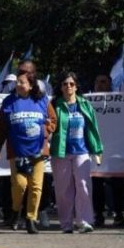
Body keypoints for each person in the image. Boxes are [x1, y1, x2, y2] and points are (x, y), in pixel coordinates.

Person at [0, 69, 52, 234]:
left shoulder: (42, 101)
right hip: (17, 151)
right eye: (17, 82)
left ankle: (31, 219)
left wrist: (46, 130)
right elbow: (1, 127)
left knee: (36, 186)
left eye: (22, 82)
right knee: (20, 185)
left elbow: (53, 120)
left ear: (31, 85)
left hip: (38, 152)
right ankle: (15, 210)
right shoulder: (9, 102)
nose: (18, 85)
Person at [48, 72, 103, 233]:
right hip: (61, 152)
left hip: (81, 151)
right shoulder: (54, 105)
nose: (68, 86)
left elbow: (93, 128)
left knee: (84, 186)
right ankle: (66, 224)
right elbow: (49, 126)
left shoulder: (85, 104)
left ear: (76, 86)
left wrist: (97, 149)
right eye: (65, 84)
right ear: (61, 87)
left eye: (71, 84)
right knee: (63, 189)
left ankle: (84, 221)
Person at [89, 73, 124, 227]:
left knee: (119, 184)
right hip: (96, 150)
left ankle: (119, 213)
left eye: (104, 82)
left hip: (116, 150)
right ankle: (98, 214)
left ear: (110, 84)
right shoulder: (87, 102)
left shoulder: (121, 103)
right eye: (98, 82)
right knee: (97, 184)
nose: (100, 84)